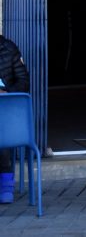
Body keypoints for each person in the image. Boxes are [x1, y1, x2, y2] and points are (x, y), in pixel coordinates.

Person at [0, 34, 30, 204]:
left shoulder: (8, 48)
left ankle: (5, 183)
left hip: (6, 109)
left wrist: (7, 93)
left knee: (2, 129)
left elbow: (24, 82)